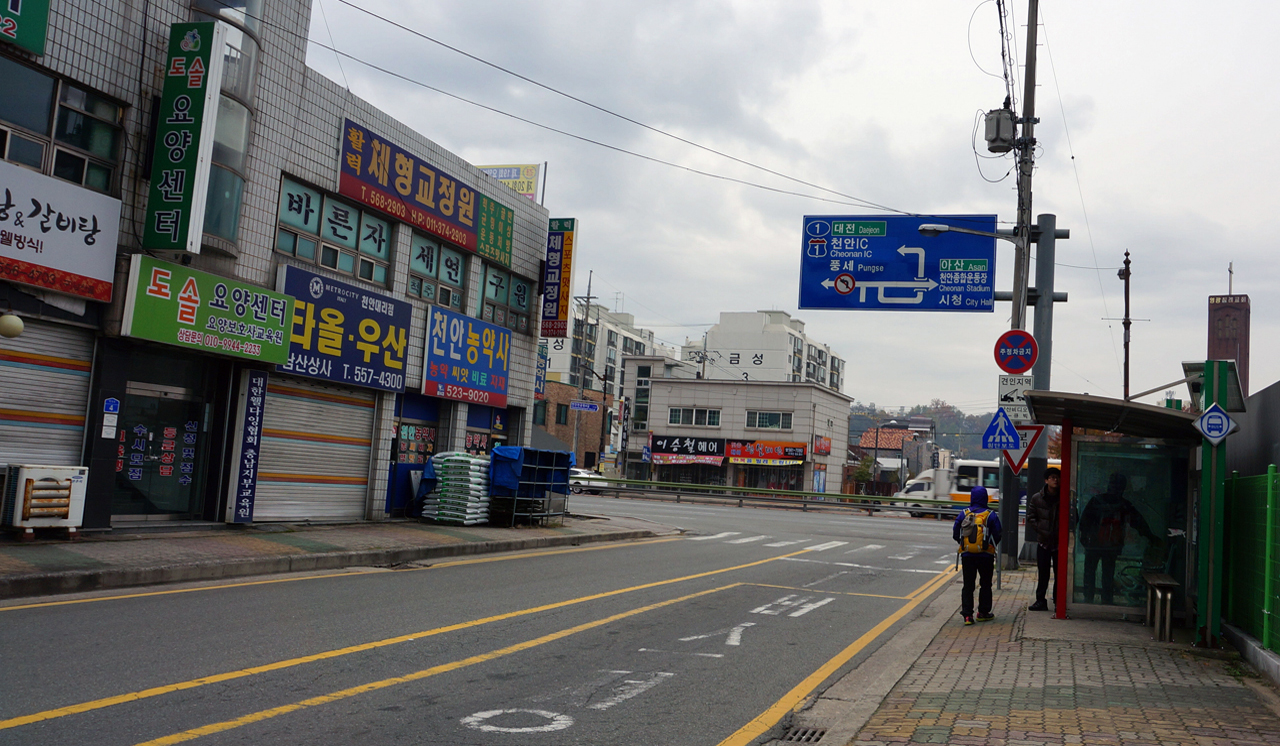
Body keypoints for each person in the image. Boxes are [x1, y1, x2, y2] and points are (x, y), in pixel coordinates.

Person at [1078, 472, 1156, 604]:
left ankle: (1089, 597)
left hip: (1094, 544)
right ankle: (1107, 599)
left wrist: (1084, 539)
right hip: (1111, 545)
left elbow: (1084, 522)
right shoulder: (1124, 504)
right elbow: (1138, 522)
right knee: (1108, 574)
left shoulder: (1096, 500)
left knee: (1089, 573)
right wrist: (1151, 536)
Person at [953, 485, 1002, 625]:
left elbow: (956, 531)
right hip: (986, 555)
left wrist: (962, 543)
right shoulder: (990, 515)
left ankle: (967, 616)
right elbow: (998, 533)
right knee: (985, 584)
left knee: (968, 585)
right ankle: (983, 612)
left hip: (967, 554)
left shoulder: (964, 513)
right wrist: (991, 545)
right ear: (985, 497)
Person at [1026, 467, 1061, 611]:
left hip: (1060, 542)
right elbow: (1030, 517)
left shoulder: (1064, 496)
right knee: (1043, 573)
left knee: (1060, 573)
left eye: (1057, 477)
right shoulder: (1037, 498)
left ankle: (1059, 600)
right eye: (1052, 477)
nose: (1055, 480)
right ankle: (1040, 600)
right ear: (1046, 480)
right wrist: (1041, 529)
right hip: (1044, 542)